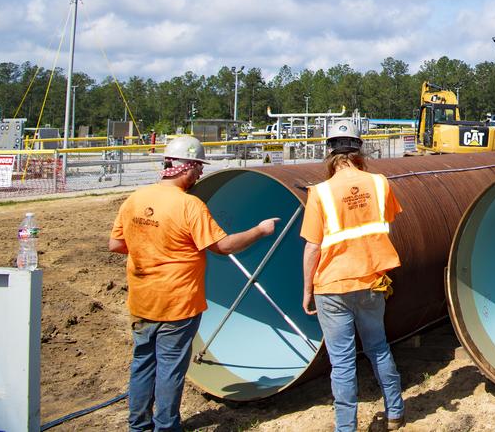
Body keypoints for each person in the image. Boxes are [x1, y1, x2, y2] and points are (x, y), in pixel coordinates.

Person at [109, 135, 278, 432]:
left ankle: (138, 426)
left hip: (141, 300)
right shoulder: (189, 206)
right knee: (170, 370)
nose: (200, 174)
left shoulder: (136, 198)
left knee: (142, 365)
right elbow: (223, 246)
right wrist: (260, 230)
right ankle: (166, 427)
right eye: (198, 167)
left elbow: (116, 244)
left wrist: (151, 247)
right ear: (185, 167)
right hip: (178, 304)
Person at [301, 119, 405, 431]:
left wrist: (307, 290)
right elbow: (384, 225)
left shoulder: (319, 193)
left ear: (329, 152)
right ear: (359, 150)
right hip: (372, 280)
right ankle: (396, 412)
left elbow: (312, 248)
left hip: (332, 286)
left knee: (342, 362)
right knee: (378, 347)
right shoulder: (379, 183)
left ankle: (346, 427)